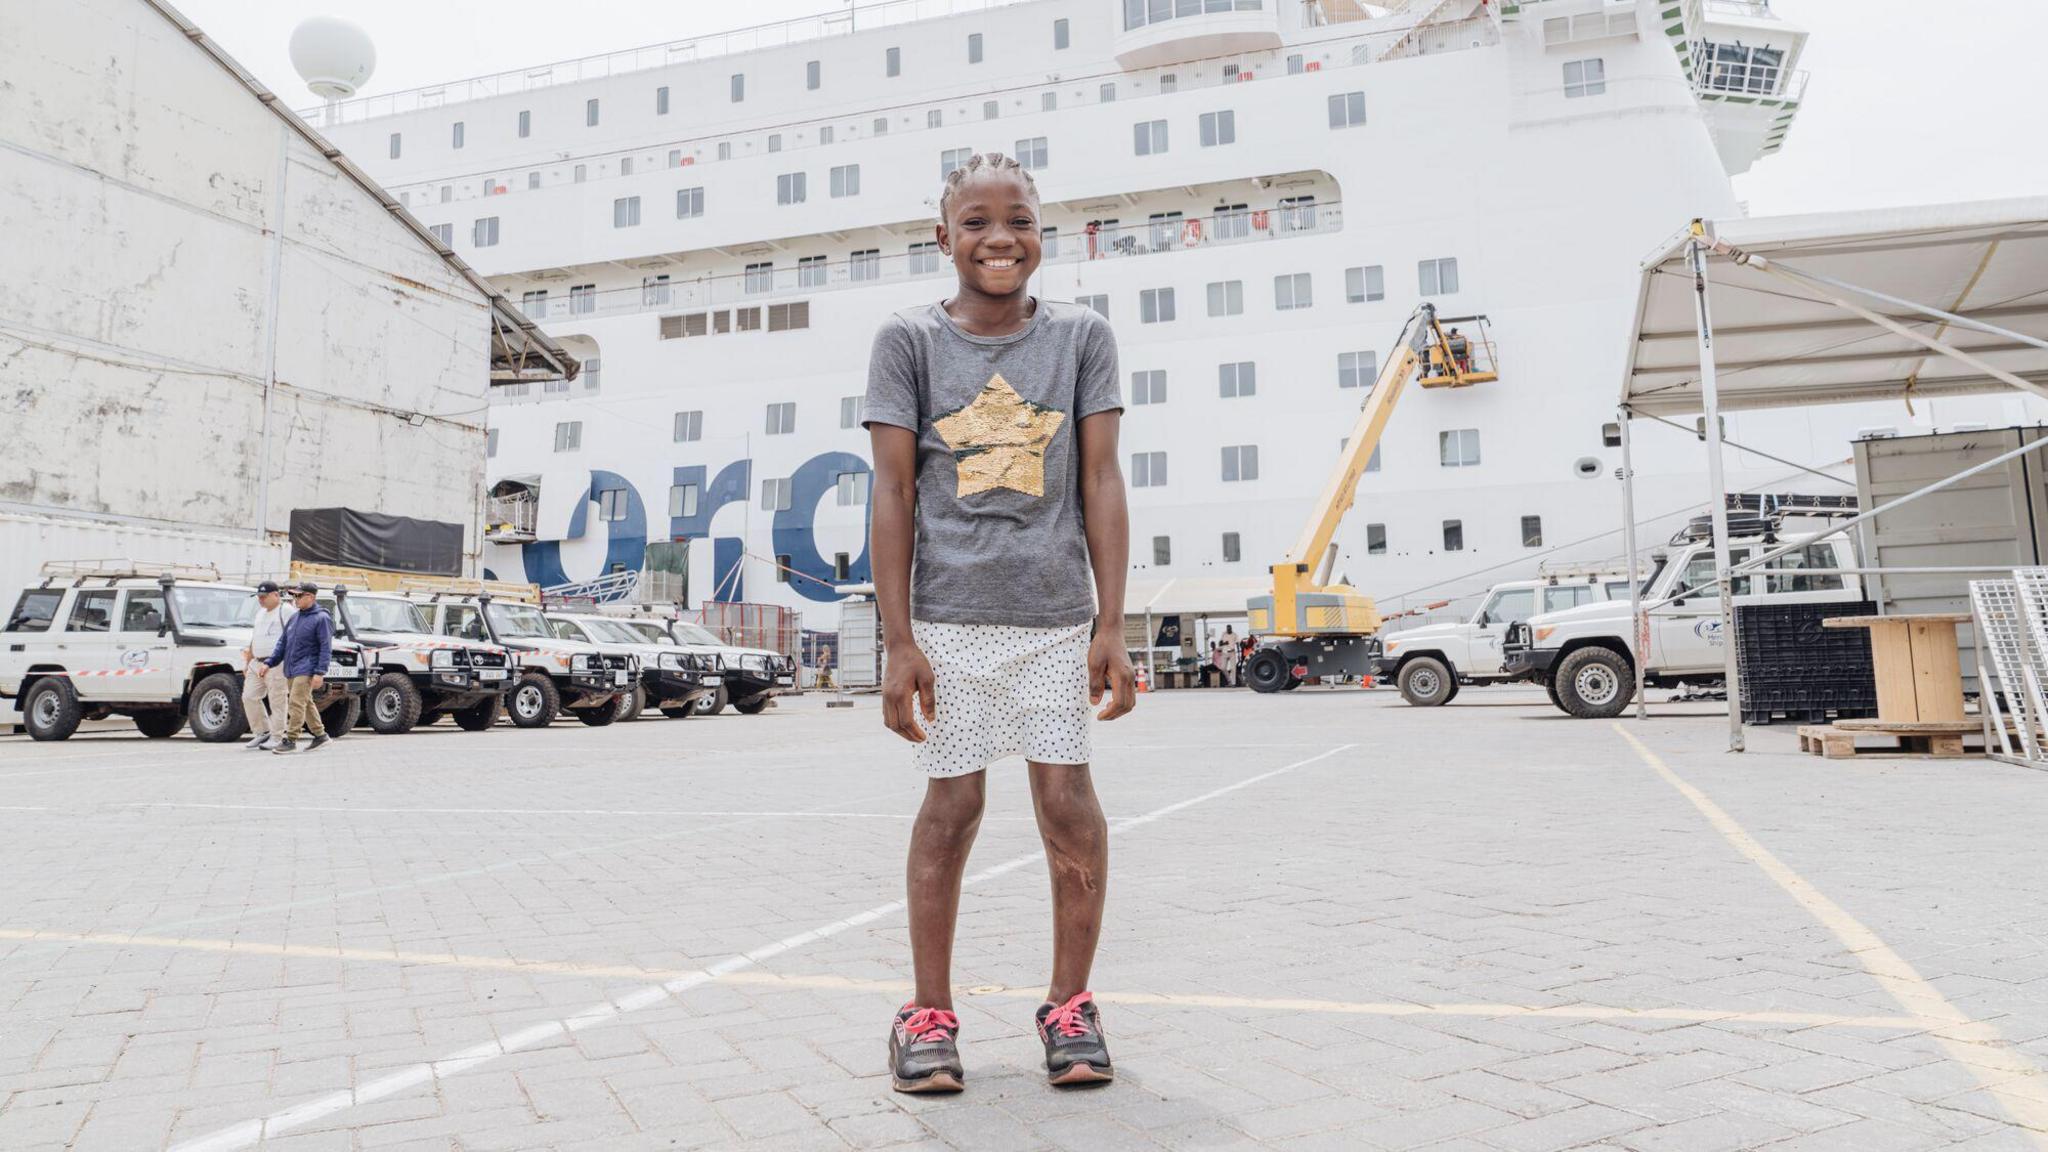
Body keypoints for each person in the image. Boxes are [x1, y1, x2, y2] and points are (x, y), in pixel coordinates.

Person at [865, 151, 1136, 1095]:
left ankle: (1071, 1007)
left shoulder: (1082, 337)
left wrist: (1112, 621)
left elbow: (1100, 478)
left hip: (1058, 620)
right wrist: (898, 640)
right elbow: (893, 491)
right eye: (975, 222)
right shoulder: (907, 340)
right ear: (944, 238)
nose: (999, 238)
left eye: (1016, 219)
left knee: (1067, 806)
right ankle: (927, 1015)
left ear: (1039, 233)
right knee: (952, 809)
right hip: (948, 620)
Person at [267, 581, 334, 755]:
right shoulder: (295, 617)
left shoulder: (322, 618)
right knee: (306, 702)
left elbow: (326, 647)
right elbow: (283, 642)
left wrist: (320, 672)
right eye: (293, 595)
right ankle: (320, 735)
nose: (294, 599)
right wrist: (269, 662)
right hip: (292, 667)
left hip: (307, 668)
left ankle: (291, 739)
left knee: (296, 702)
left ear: (310, 597)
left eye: (298, 595)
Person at [239, 580, 293, 751]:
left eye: (264, 596)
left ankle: (277, 736)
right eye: (259, 597)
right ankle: (262, 732)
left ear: (276, 595)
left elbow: (293, 637)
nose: (260, 600)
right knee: (249, 696)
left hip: (276, 663)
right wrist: (248, 662)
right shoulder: (260, 613)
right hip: (257, 662)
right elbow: (255, 638)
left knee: (277, 700)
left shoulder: (285, 611)